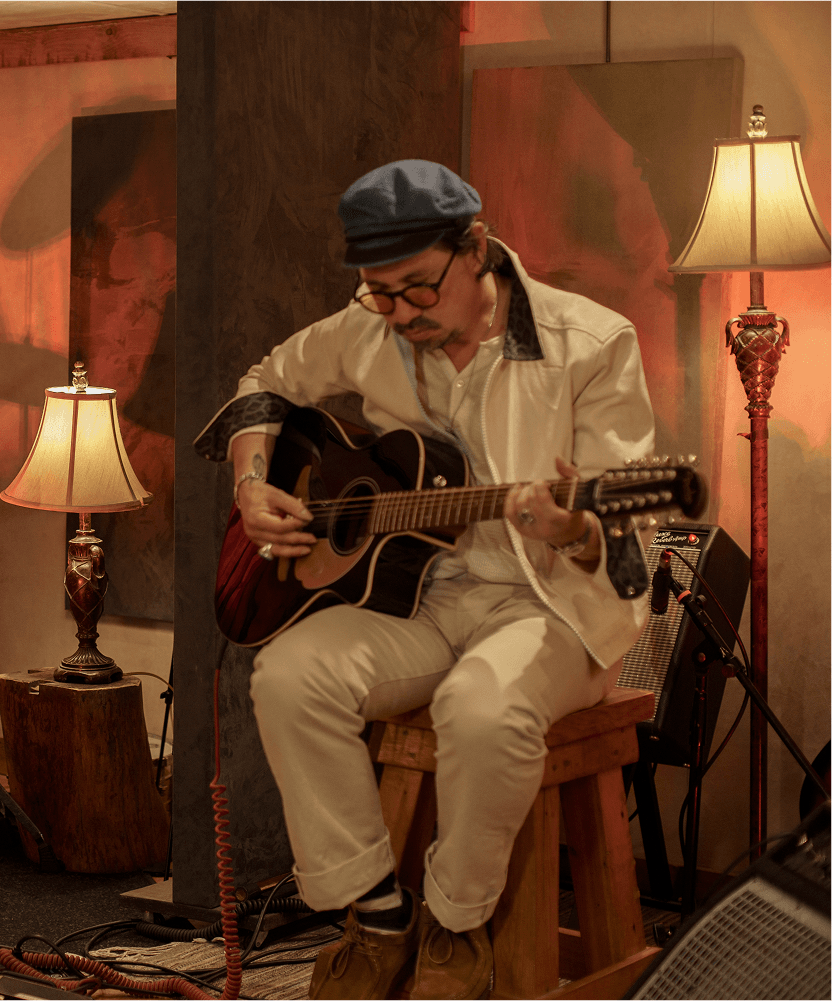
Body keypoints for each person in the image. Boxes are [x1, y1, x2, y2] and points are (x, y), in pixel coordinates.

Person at [194, 160, 656, 1001]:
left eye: (418, 288)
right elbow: (260, 384)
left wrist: (574, 524)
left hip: (553, 604)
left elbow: (632, 536)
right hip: (421, 596)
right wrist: (252, 483)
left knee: (480, 707)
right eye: (380, 293)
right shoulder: (368, 326)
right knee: (289, 676)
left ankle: (456, 923)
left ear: (473, 248)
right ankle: (375, 915)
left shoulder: (590, 342)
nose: (400, 314)